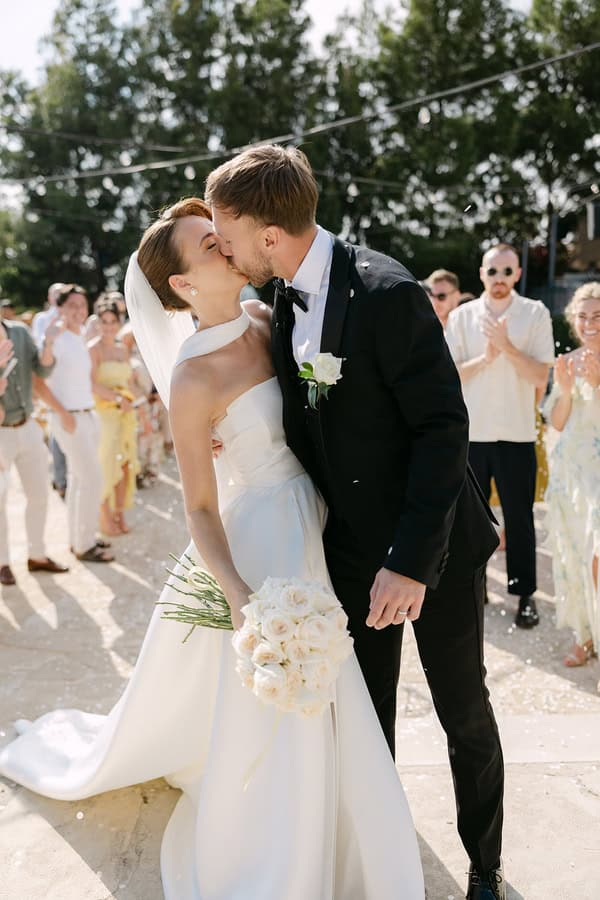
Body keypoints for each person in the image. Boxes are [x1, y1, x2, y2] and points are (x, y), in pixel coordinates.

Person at [0, 198, 425, 900]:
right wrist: (239, 595)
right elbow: (198, 507)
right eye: (209, 245)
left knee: (341, 678)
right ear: (183, 285)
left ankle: (349, 817)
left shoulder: (267, 316)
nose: (228, 246)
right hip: (265, 535)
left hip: (322, 514)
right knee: (282, 695)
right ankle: (285, 848)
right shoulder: (192, 378)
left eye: (220, 235)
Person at [206, 145, 505, 900]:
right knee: (366, 723)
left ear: (267, 233)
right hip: (348, 550)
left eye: (227, 235)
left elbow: (443, 428)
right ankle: (383, 864)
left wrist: (410, 562)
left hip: (435, 545)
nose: (225, 250)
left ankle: (483, 866)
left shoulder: (387, 291)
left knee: (463, 711)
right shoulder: (280, 300)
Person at [445, 243, 554, 630]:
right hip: (472, 434)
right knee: (471, 521)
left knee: (520, 520)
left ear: (518, 274)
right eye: (493, 271)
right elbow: (449, 375)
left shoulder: (535, 313)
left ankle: (525, 595)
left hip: (517, 434)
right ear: (481, 273)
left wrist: (507, 348)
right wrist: (486, 359)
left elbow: (541, 376)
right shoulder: (461, 317)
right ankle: (475, 590)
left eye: (507, 271)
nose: (500, 279)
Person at [33, 284, 113, 563]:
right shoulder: (54, 339)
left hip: (87, 414)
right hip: (68, 418)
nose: (79, 310)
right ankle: (85, 544)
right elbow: (39, 382)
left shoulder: (80, 337)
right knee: (92, 479)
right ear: (60, 308)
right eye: (72, 305)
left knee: (80, 479)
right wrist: (63, 413)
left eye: (82, 305)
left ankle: (79, 538)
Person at [544, 282, 600, 669]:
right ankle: (585, 634)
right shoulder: (569, 361)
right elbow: (558, 422)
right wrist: (565, 391)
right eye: (582, 316)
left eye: (597, 316)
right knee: (576, 555)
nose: (589, 323)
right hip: (571, 475)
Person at [0, 317, 69, 586]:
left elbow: (42, 370)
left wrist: (48, 343)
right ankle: (2, 562)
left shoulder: (19, 332)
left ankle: (37, 554)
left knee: (39, 494)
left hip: (28, 425)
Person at [89, 298, 139, 535]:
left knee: (125, 464)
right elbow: (90, 384)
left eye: (113, 322)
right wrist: (117, 399)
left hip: (125, 415)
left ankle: (119, 513)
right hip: (105, 415)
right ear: (98, 323)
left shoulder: (122, 348)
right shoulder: (93, 348)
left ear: (119, 323)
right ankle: (104, 516)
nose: (108, 326)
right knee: (106, 464)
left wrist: (138, 405)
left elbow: (129, 382)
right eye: (104, 322)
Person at [32, 282, 68, 498]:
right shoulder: (42, 319)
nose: (58, 297)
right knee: (57, 427)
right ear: (49, 297)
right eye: (55, 294)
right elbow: (39, 345)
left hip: (69, 376)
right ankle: (60, 478)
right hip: (52, 376)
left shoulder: (72, 316)